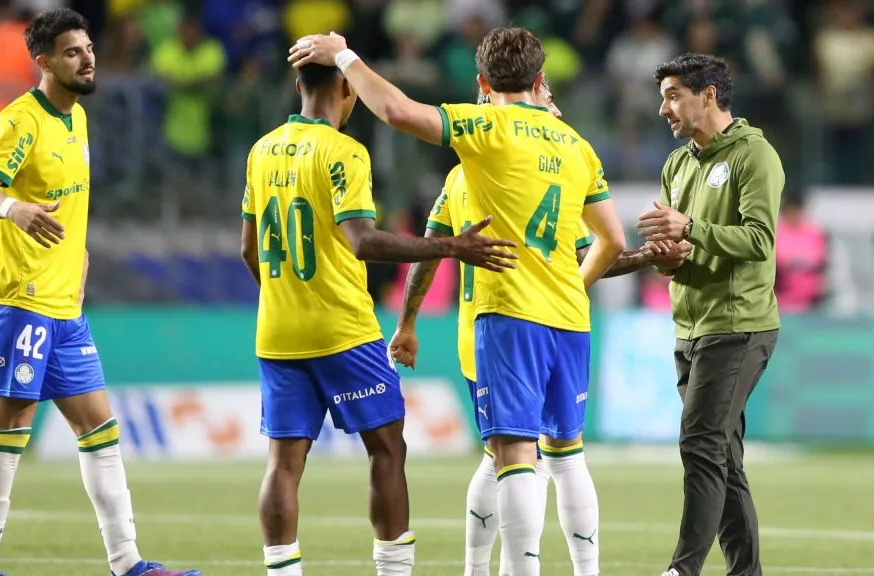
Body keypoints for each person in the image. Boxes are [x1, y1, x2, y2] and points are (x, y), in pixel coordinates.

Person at [289, 27, 629, 576]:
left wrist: (345, 56)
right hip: (570, 319)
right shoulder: (577, 145)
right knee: (566, 454)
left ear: (482, 83)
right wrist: (572, 284)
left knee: (513, 454)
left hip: (509, 317)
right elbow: (612, 241)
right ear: (541, 80)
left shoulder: (484, 127)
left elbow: (397, 110)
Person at [388, 79, 689, 576]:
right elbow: (584, 257)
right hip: (535, 322)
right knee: (548, 455)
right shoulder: (555, 161)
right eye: (547, 97)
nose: (553, 105)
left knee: (506, 455)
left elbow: (431, 249)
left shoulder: (463, 176)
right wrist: (638, 258)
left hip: (494, 325)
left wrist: (408, 321)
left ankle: (482, 569)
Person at [237, 61, 518, 576]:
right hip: (344, 330)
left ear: (299, 86)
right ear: (348, 88)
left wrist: (283, 298)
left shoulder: (262, 149)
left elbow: (248, 251)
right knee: (386, 448)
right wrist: (451, 245)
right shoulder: (345, 151)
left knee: (283, 463)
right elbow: (364, 241)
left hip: (277, 332)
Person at [0, 9, 200, 576]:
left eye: (89, 47)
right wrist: (13, 207)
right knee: (9, 431)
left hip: (65, 305)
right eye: (72, 52)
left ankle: (128, 563)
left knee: (100, 428)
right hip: (22, 301)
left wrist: (80, 260)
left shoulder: (79, 118)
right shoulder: (21, 121)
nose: (88, 58)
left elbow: (69, 206)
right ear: (43, 63)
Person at [634, 54, 784, 576]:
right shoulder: (677, 164)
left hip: (740, 325)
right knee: (723, 459)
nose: (663, 108)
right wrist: (666, 257)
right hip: (689, 326)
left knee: (699, 444)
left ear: (709, 96)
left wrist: (689, 228)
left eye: (673, 95)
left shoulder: (754, 156)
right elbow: (678, 251)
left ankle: (683, 569)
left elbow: (761, 241)